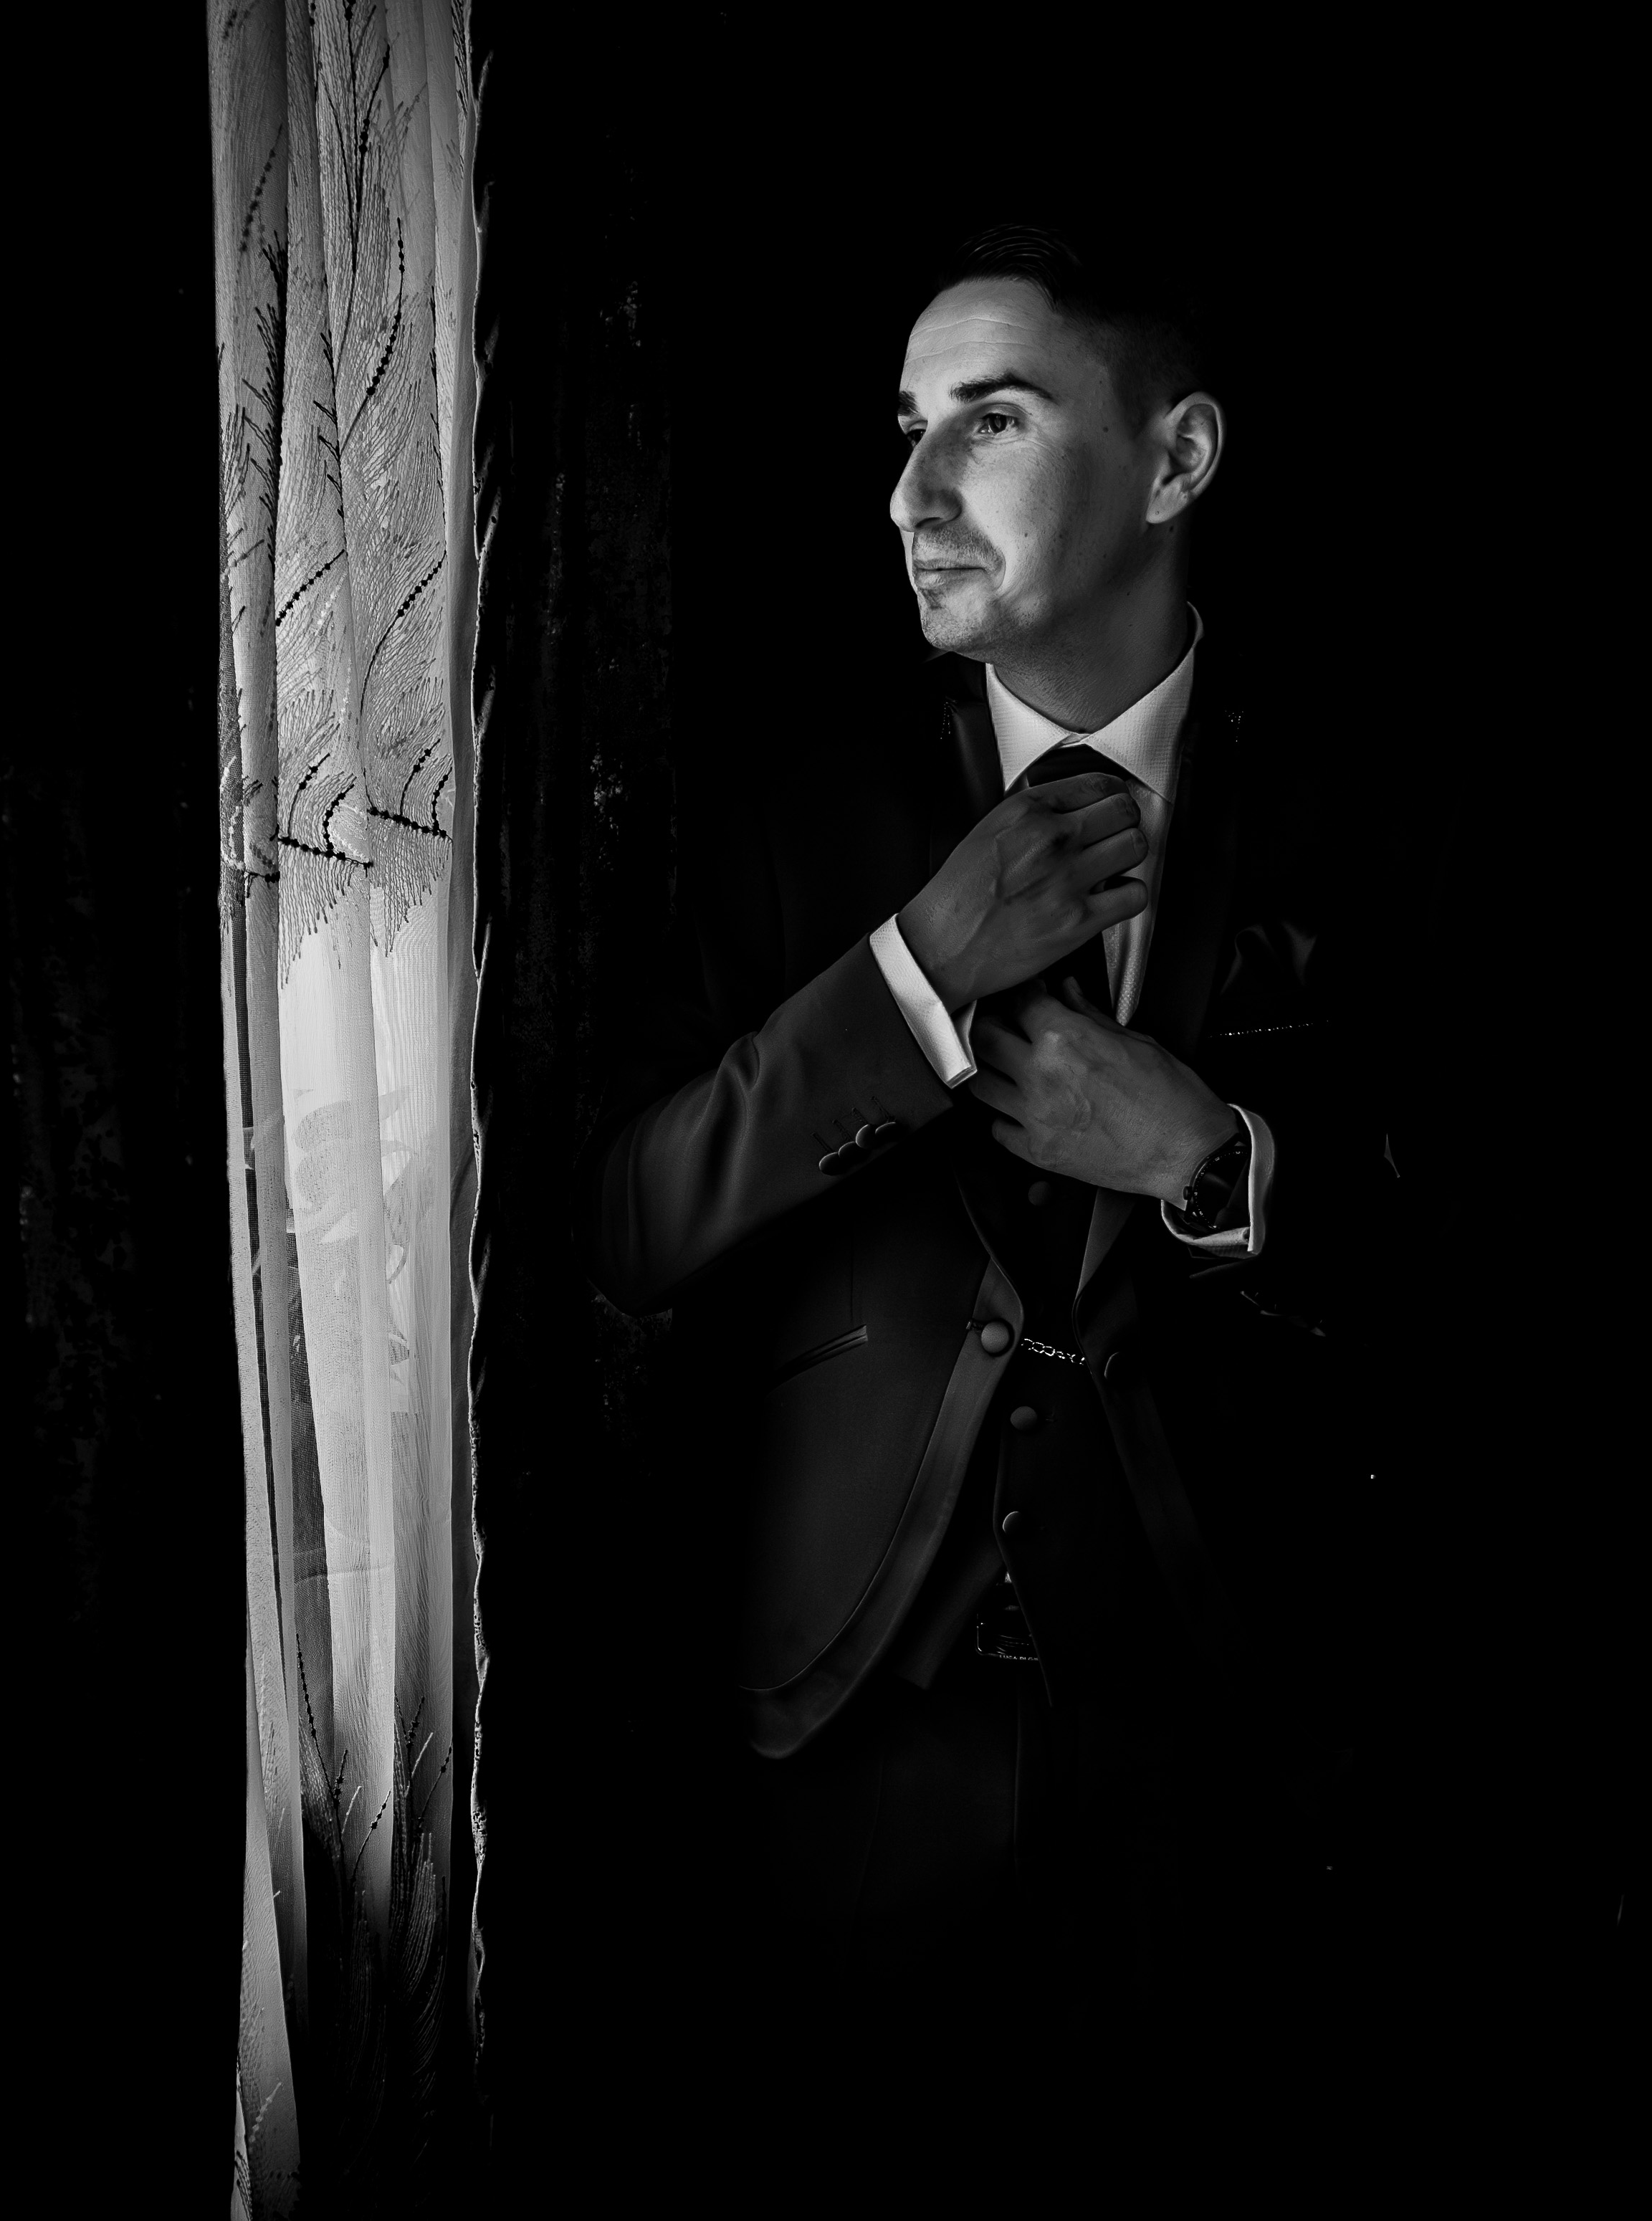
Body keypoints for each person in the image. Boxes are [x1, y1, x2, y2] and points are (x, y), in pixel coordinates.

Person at [579, 224, 1394, 2159]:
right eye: (907, 427)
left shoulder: (1376, 825)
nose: (911, 493)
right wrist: (912, 982)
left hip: (1249, 1769)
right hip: (851, 1738)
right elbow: (619, 1227)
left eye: (994, 420)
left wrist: (1213, 1159)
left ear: (1178, 460)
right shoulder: (795, 819)